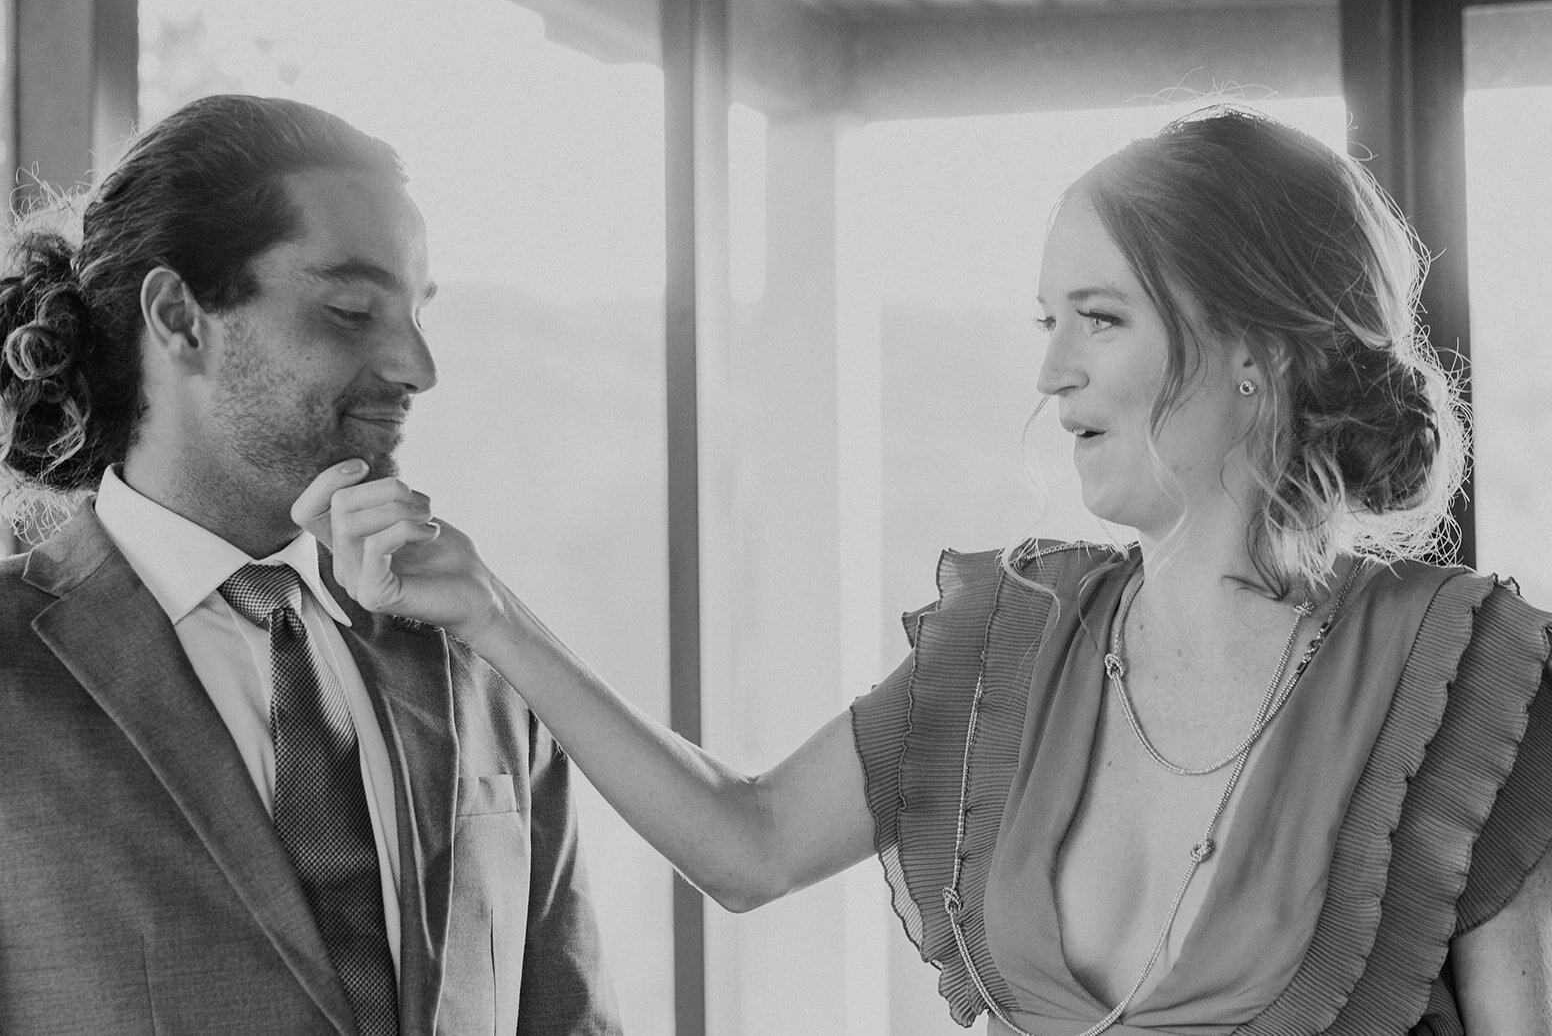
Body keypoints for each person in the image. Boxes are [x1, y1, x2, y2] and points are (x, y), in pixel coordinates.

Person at [297, 104, 1552, 1034]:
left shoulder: (1465, 679)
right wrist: (487, 609)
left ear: (1253, 351)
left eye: (1099, 317)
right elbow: (750, 840)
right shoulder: (1016, 635)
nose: (1050, 369)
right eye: (1044, 320)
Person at [0, 94, 620, 1035]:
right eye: (352, 310)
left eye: (417, 313)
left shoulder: (484, 657)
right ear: (180, 316)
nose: (418, 365)